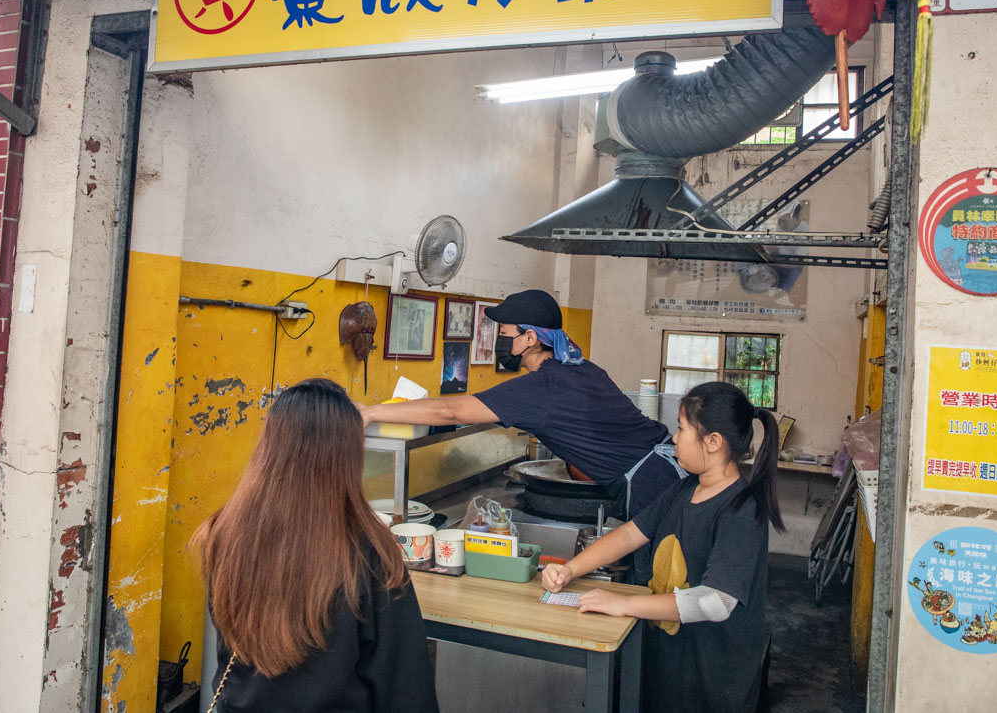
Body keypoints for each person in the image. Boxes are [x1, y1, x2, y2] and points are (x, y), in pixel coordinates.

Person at [191, 378, 439, 713]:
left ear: (269, 446)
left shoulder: (224, 533)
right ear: (349, 455)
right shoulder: (370, 554)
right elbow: (406, 688)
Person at [541, 381, 784, 713]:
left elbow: (715, 602)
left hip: (711, 681)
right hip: (669, 667)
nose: (674, 439)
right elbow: (630, 535)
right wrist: (570, 570)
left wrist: (624, 604)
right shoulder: (684, 490)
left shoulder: (740, 511)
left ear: (713, 442)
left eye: (682, 429)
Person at [356, 289, 685, 518]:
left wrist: (371, 412)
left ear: (530, 338)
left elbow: (449, 410)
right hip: (672, 469)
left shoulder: (540, 389)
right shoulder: (581, 368)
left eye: (504, 333)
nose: (499, 341)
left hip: (653, 487)